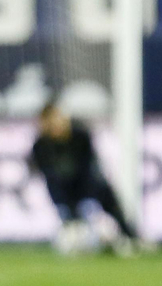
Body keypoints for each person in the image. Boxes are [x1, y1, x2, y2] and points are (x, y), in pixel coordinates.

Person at [29, 103, 148, 256]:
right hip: (63, 192)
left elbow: (89, 165)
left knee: (105, 192)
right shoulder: (40, 146)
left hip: (86, 184)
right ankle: (75, 229)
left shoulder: (80, 136)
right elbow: (46, 175)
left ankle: (130, 236)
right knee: (60, 194)